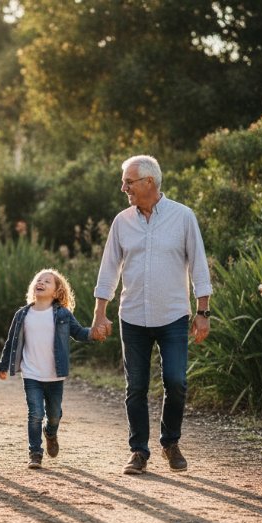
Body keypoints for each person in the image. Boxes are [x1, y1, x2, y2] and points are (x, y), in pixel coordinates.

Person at [91, 155, 212, 475]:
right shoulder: (122, 222)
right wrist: (99, 313)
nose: (123, 187)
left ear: (149, 182)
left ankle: (170, 442)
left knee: (177, 381)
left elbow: (199, 265)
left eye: (128, 182)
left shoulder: (183, 217)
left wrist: (203, 311)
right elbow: (108, 270)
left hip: (173, 314)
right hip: (132, 317)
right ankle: (139, 451)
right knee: (136, 387)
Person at [0, 269, 100, 469]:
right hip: (31, 374)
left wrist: (94, 334)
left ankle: (51, 433)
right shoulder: (22, 315)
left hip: (54, 375)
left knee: (53, 414)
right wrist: (3, 365)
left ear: (56, 292)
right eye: (38, 279)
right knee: (35, 413)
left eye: (47, 281)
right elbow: (11, 342)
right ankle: (35, 453)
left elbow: (78, 333)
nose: (41, 282)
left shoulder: (62, 314)